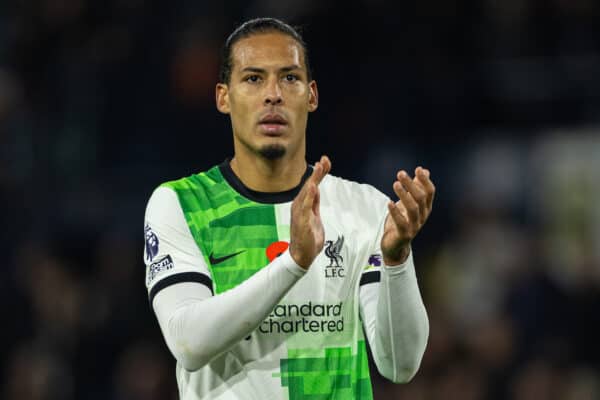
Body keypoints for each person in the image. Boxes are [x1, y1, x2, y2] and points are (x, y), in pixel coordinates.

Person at [143, 17, 434, 400]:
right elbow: (189, 343)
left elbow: (400, 364)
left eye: (289, 78)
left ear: (311, 96)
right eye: (253, 78)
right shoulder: (182, 204)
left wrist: (396, 260)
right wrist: (293, 262)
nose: (273, 95)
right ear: (223, 97)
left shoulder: (363, 208)